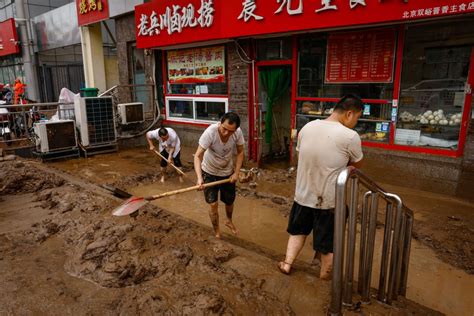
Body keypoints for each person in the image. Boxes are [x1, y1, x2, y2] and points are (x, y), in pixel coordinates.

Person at [278, 94, 364, 280]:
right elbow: (356, 166)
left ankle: (287, 264)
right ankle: (324, 278)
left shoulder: (307, 127)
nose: (356, 123)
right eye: (357, 117)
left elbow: (302, 155)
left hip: (302, 194)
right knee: (328, 245)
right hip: (329, 201)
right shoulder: (350, 136)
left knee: (298, 231)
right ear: (349, 114)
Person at [194, 112, 245, 239]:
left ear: (236, 129)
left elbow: (240, 152)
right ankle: (217, 231)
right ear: (220, 123)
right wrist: (199, 178)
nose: (226, 133)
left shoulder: (237, 133)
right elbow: (197, 155)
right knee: (213, 204)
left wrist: (236, 173)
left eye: (231, 131)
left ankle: (228, 220)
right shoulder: (210, 132)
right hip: (209, 171)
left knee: (229, 201)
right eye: (224, 128)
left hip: (227, 171)